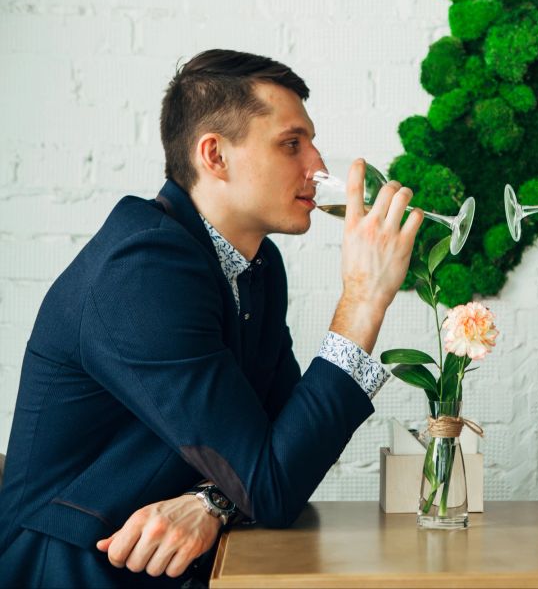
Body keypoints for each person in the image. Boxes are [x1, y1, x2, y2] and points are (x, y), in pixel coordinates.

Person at [0, 49, 423, 586]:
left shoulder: (258, 265)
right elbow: (271, 482)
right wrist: (363, 299)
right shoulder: (144, 270)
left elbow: (281, 451)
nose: (317, 168)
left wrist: (212, 502)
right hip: (67, 568)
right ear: (214, 155)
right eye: (291, 144)